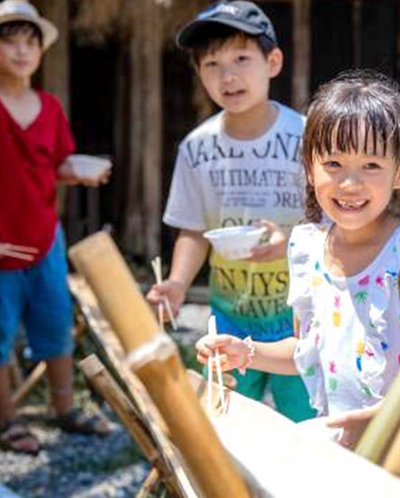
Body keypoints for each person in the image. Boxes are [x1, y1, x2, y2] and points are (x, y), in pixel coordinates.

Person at [196, 71, 400, 497]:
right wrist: (246, 350)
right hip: (339, 459)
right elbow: (311, 352)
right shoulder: (307, 247)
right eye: (334, 163)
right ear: (309, 168)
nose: (350, 183)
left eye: (371, 165)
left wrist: (375, 420)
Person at [146, 1, 314, 423]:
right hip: (228, 318)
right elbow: (193, 230)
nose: (228, 75)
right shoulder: (197, 147)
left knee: (312, 426)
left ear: (273, 62)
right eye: (212, 64)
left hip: (301, 317)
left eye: (242, 58)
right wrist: (178, 284)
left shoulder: (309, 137)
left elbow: (334, 223)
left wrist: (289, 242)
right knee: (226, 427)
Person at [0, 0, 112, 455]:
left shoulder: (48, 107)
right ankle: (7, 422)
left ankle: (64, 411)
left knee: (56, 325)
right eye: (11, 41)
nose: (23, 51)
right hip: (2, 242)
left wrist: (79, 171)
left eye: (32, 43)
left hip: (45, 236)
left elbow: (54, 166)